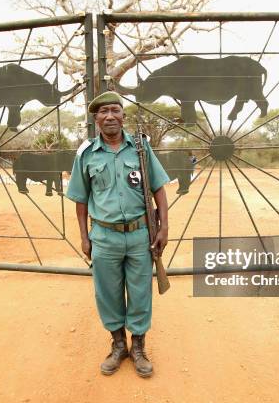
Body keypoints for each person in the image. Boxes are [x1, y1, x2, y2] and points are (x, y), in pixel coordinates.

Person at [65, 91, 170, 378]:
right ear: (95, 118)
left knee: (140, 291)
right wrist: (84, 237)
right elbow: (80, 199)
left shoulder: (140, 148)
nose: (109, 116)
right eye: (103, 112)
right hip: (104, 236)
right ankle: (118, 345)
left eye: (115, 110)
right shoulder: (86, 153)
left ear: (123, 115)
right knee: (108, 293)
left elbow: (159, 187)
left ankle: (138, 347)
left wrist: (164, 227)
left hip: (140, 234)